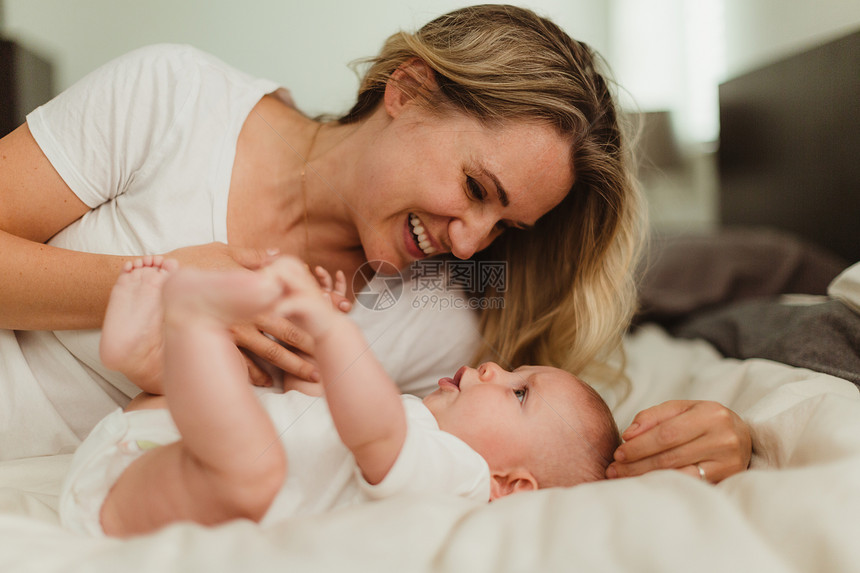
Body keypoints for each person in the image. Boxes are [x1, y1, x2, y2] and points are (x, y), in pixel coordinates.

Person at [0, 4, 749, 481]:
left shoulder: (438, 320)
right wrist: (158, 289)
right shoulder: (175, 100)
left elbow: (535, 443)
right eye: (477, 189)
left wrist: (717, 435)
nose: (468, 242)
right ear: (409, 90)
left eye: (504, 228)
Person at [60, 256, 621, 537]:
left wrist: (334, 338)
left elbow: (373, 433)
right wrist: (319, 327)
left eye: (520, 393)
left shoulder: (464, 482)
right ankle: (144, 357)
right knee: (242, 397)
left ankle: (188, 321)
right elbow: (316, 405)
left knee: (252, 468)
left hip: (144, 500)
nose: (494, 368)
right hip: (163, 448)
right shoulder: (417, 427)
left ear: (512, 485)